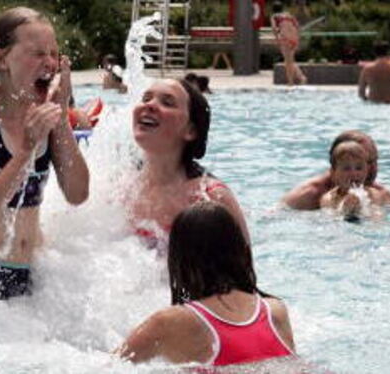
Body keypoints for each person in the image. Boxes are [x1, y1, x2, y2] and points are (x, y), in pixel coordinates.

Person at [0, 7, 89, 299]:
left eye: (53, 53)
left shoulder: (48, 117)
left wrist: (61, 117)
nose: (49, 63)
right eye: (37, 54)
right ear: (1, 59)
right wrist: (25, 152)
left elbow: (77, 194)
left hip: (27, 273)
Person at [117, 201, 295, 365]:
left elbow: (111, 366)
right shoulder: (275, 310)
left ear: (180, 259)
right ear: (240, 250)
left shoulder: (170, 321)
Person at [125, 78, 249, 250]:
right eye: (146, 99)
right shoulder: (121, 182)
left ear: (190, 130)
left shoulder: (210, 198)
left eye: (167, 103)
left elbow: (240, 271)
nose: (149, 105)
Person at [282, 130, 390, 211]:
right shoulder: (309, 194)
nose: (373, 168)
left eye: (374, 161)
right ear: (335, 168)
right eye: (368, 161)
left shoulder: (382, 194)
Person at [320, 141, 390, 221]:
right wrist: (344, 210)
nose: (354, 173)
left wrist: (364, 208)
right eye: (346, 168)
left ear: (366, 171)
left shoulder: (374, 195)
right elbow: (330, 222)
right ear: (333, 172)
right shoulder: (329, 199)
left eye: (359, 168)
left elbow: (377, 221)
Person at [271, 1, 306, 85]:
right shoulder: (289, 15)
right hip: (294, 37)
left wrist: (277, 40)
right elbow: (297, 27)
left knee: (288, 61)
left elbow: (274, 29)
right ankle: (301, 77)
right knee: (291, 60)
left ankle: (291, 81)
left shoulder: (274, 16)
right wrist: (298, 38)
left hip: (285, 38)